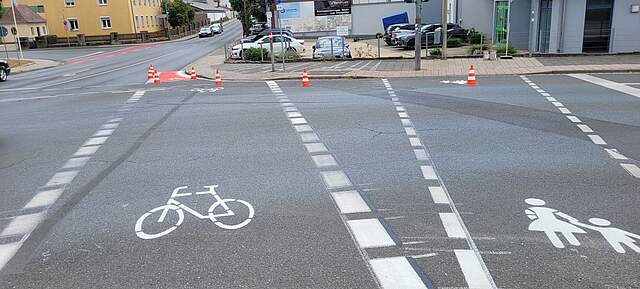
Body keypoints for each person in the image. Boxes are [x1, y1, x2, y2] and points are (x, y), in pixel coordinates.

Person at [570, 218, 640, 254]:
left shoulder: (611, 229)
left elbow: (631, 234)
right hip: (615, 238)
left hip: (617, 238)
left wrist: (575, 222)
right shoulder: (612, 229)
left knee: (621, 246)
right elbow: (632, 235)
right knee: (624, 246)